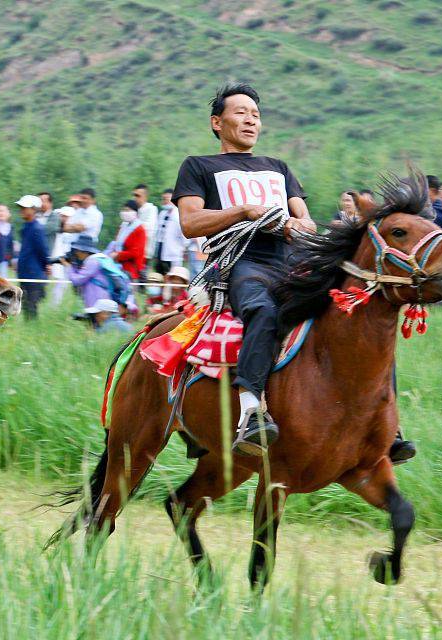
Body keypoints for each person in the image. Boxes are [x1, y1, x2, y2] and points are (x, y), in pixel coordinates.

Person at [172, 82, 322, 457]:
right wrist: (244, 211)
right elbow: (190, 223)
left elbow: (305, 218)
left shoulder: (279, 168)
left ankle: (385, 425)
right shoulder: (199, 166)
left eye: (255, 114)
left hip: (291, 259)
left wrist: (299, 224)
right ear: (216, 122)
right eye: (241, 112)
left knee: (356, 308)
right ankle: (251, 412)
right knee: (263, 310)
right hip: (242, 262)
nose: (251, 120)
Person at [14, 194, 49, 320]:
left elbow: (43, 252)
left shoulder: (37, 228)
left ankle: (34, 329)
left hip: (34, 275)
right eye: (21, 208)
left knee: (31, 306)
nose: (22, 210)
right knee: (25, 306)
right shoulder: (26, 228)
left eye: (25, 208)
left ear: (34, 209)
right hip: (24, 273)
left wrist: (45, 268)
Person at [63, 235, 113, 309]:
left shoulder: (93, 261)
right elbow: (81, 275)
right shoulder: (99, 259)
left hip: (97, 301)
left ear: (85, 251)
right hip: (100, 300)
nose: (76, 253)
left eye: (77, 250)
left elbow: (77, 280)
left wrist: (68, 266)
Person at [107, 199, 147, 280]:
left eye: (128, 210)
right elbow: (116, 242)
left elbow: (135, 252)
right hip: (119, 265)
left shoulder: (139, 229)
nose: (125, 212)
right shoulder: (123, 226)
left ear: (135, 212)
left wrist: (117, 255)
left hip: (131, 268)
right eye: (124, 210)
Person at [153, 188, 188, 275]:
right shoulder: (162, 214)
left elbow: (185, 234)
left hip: (174, 252)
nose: (164, 201)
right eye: (163, 199)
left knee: (173, 276)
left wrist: (183, 248)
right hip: (161, 250)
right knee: (161, 275)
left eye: (166, 199)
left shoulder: (179, 214)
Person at [132, 184, 158, 262]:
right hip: (132, 252)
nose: (134, 198)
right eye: (134, 195)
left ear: (145, 197)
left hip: (144, 253)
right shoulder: (133, 210)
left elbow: (149, 229)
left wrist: (133, 228)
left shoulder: (151, 209)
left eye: (137, 195)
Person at [0, 203, 15, 277]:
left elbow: (10, 245)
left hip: (3, 261)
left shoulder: (10, 227)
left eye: (3, 211)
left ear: (8, 213)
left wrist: (11, 260)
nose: (0, 213)